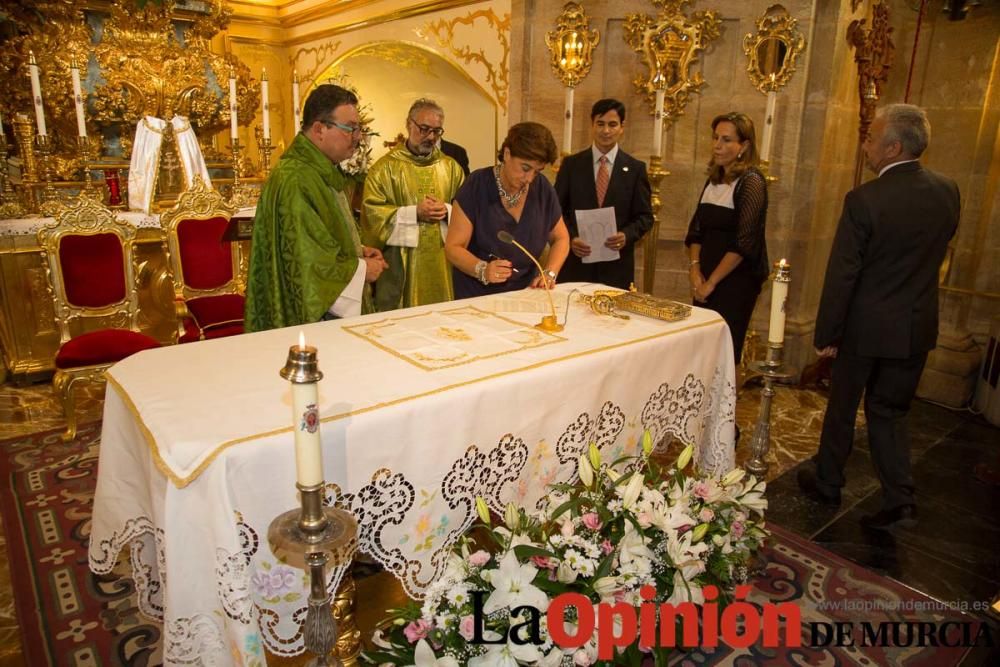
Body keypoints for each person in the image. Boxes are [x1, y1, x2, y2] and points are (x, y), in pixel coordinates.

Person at [798, 104, 960, 530]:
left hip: (865, 329)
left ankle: (828, 481)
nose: (864, 144)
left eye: (870, 137)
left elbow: (843, 273)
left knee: (843, 406)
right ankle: (899, 498)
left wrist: (827, 333)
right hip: (916, 327)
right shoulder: (948, 191)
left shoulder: (864, 199)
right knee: (890, 411)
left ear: (892, 147)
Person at [245, 84, 387, 331]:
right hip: (310, 324)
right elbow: (307, 262)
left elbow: (318, 235)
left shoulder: (318, 170)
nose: (358, 137)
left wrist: (357, 250)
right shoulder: (296, 178)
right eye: (351, 129)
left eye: (359, 129)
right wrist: (362, 270)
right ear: (320, 129)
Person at [361, 99, 465, 311]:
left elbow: (469, 213)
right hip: (401, 266)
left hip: (443, 264)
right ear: (409, 124)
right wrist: (413, 213)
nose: (430, 137)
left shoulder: (451, 168)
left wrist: (447, 210)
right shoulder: (384, 169)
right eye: (424, 129)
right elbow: (371, 216)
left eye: (437, 131)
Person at [445, 122, 570, 298]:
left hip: (526, 294)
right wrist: (483, 269)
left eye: (537, 171)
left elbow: (561, 238)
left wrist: (550, 273)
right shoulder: (477, 185)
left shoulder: (542, 188)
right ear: (507, 153)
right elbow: (453, 247)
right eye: (525, 168)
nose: (529, 178)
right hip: (478, 296)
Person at [684, 112, 769, 364]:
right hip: (705, 277)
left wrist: (712, 283)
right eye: (715, 138)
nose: (717, 145)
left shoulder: (752, 182)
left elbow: (744, 242)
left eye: (726, 140)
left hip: (734, 282)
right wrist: (695, 270)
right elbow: (696, 231)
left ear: (744, 146)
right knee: (701, 350)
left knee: (724, 352)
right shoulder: (714, 180)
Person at [555, 98, 653, 289]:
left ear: (622, 127)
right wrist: (571, 238)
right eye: (600, 124)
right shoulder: (571, 165)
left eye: (612, 124)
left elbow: (645, 217)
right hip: (576, 264)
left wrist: (626, 235)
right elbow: (556, 210)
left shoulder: (635, 169)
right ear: (592, 125)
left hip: (616, 268)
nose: (606, 131)